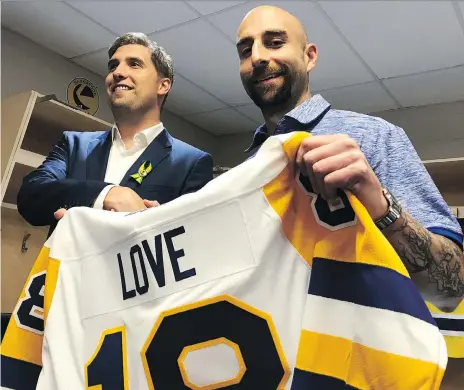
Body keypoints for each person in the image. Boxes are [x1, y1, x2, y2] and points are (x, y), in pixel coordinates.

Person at [236, 5, 463, 310]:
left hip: (355, 355)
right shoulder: (245, 170)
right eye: (245, 49)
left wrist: (377, 202)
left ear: (309, 56)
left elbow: (452, 290)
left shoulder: (376, 137)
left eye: (275, 42)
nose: (258, 57)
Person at [17, 33, 213, 235]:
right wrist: (106, 194)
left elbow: (196, 241)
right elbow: (31, 195)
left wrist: (155, 226)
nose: (118, 72)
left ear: (163, 85)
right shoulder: (74, 144)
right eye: (113, 66)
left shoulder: (192, 163)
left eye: (134, 64)